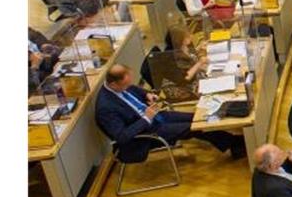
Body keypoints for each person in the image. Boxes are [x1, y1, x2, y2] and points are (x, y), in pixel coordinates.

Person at [96, 64, 244, 157]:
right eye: (125, 85)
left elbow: (133, 88)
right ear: (114, 84)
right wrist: (145, 118)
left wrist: (146, 94)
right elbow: (122, 136)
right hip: (148, 131)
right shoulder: (106, 108)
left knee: (197, 117)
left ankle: (233, 142)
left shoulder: (122, 85)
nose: (129, 87)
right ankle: (235, 145)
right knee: (195, 128)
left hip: (157, 116)